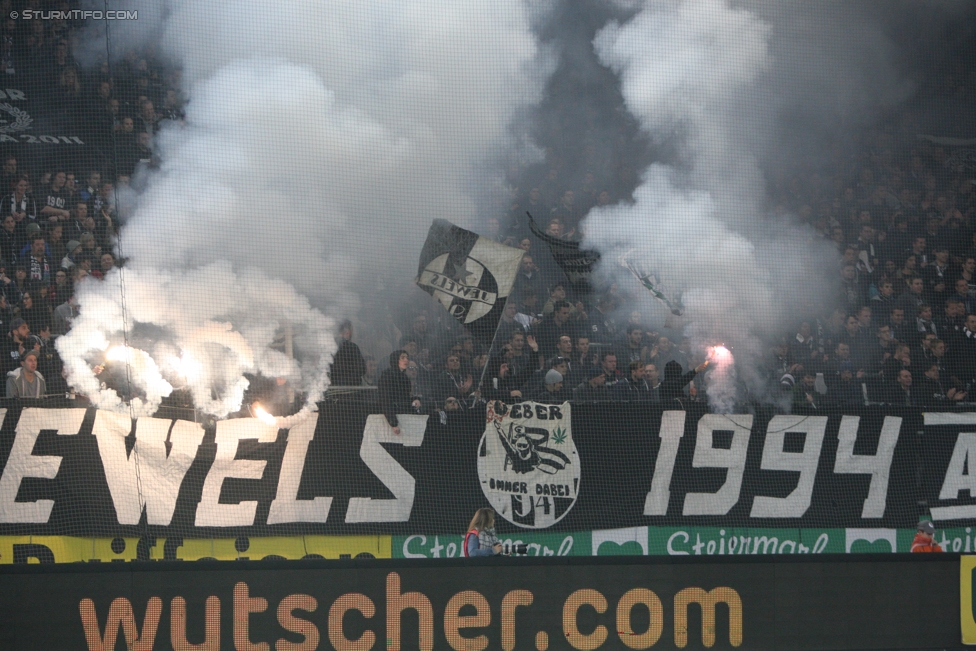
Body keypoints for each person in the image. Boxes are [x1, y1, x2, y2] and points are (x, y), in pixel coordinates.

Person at [378, 350, 421, 436]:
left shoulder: (405, 378)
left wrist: (415, 400)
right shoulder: (387, 375)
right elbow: (386, 399)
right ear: (395, 359)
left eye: (407, 358)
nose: (406, 360)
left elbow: (405, 398)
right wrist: (393, 423)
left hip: (403, 417)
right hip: (390, 420)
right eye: (402, 358)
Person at [330, 320, 366, 386]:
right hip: (351, 390)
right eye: (352, 330)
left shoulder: (328, 346)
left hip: (333, 388)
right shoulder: (352, 347)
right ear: (348, 331)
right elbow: (362, 368)